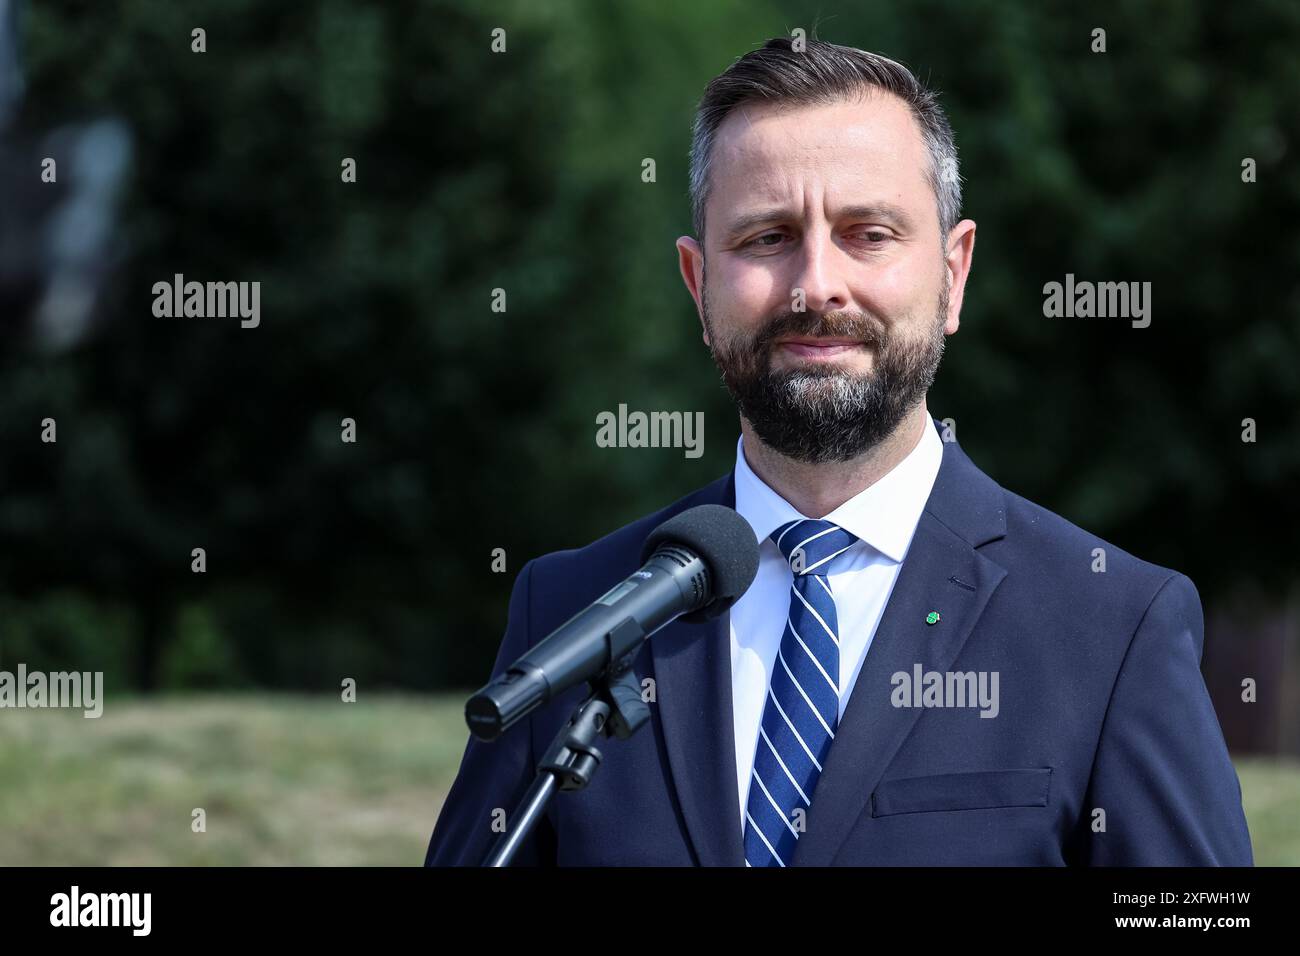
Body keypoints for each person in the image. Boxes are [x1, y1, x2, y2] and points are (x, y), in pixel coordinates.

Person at [425, 37, 1253, 866]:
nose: (816, 284)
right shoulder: (575, 610)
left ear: (954, 274)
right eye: (766, 238)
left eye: (869, 233)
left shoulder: (1110, 628)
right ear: (697, 285)